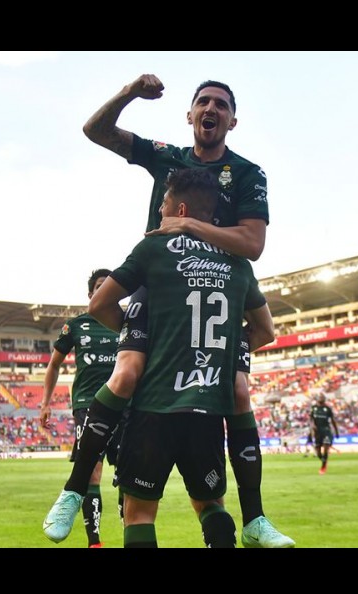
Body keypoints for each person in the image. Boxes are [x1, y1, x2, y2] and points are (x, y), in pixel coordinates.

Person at [44, 74, 292, 549]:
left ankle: (256, 517)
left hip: (215, 292)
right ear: (190, 114)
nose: (211, 109)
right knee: (127, 370)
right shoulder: (168, 157)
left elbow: (253, 244)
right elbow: (96, 131)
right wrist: (129, 93)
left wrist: (189, 226)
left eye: (221, 104)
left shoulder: (247, 173)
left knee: (239, 389)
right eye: (203, 102)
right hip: (157, 287)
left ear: (232, 121)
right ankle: (74, 490)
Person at [89, 168, 273, 547]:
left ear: (180, 209)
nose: (160, 212)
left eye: (164, 205)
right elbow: (266, 331)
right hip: (208, 406)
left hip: (154, 405)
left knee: (139, 513)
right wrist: (221, 355)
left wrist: (140, 339)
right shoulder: (238, 263)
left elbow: (99, 305)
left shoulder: (154, 249)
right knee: (210, 504)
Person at [41, 269, 120, 548]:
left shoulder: (129, 322)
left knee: (129, 472)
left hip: (127, 404)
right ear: (90, 294)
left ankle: (132, 532)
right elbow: (54, 364)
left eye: (109, 285)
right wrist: (46, 403)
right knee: (92, 471)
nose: (104, 289)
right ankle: (94, 542)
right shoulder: (76, 325)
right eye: (99, 286)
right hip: (88, 404)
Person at [310, 393, 339, 475]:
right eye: (320, 397)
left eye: (322, 398)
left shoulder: (327, 409)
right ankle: (324, 461)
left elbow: (333, 420)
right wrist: (312, 426)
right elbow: (311, 419)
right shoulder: (314, 408)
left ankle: (323, 467)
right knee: (318, 452)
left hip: (326, 430)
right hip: (317, 432)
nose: (321, 399)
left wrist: (336, 431)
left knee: (326, 447)